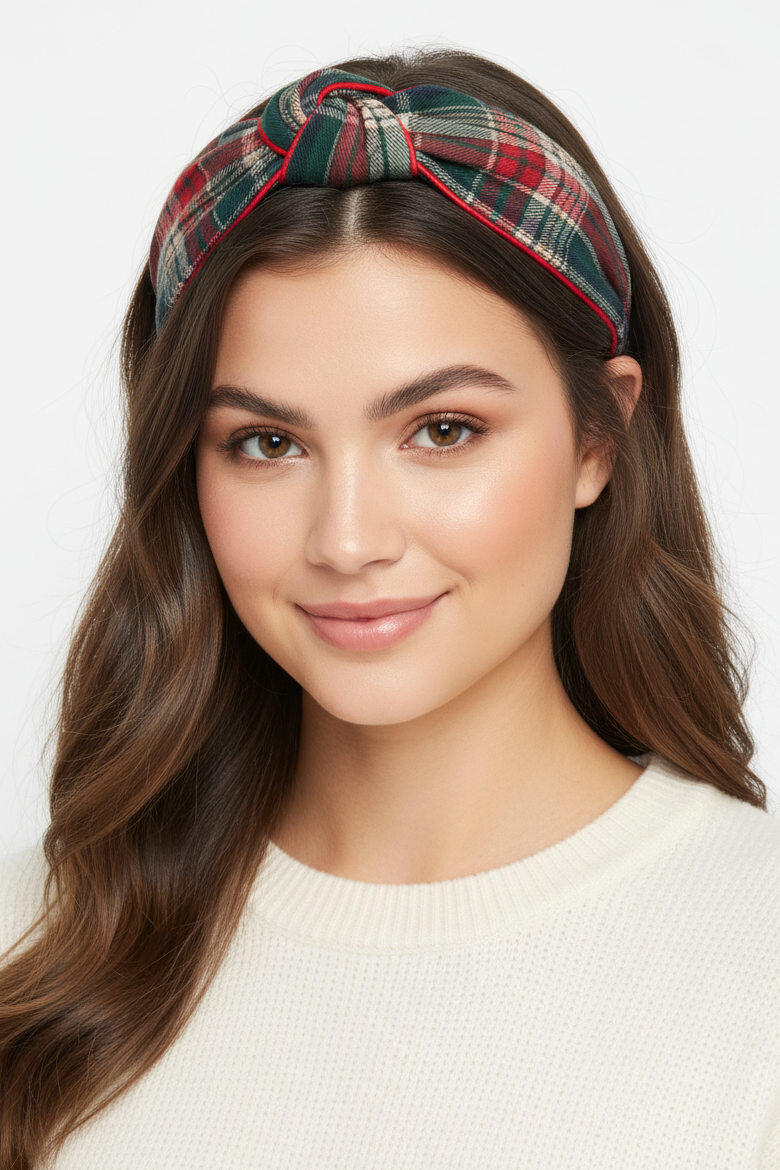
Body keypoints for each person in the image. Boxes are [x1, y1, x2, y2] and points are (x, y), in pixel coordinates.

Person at [0, 46, 778, 1170]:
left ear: (599, 436)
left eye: (443, 430)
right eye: (266, 444)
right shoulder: (37, 947)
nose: (349, 540)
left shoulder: (756, 975)